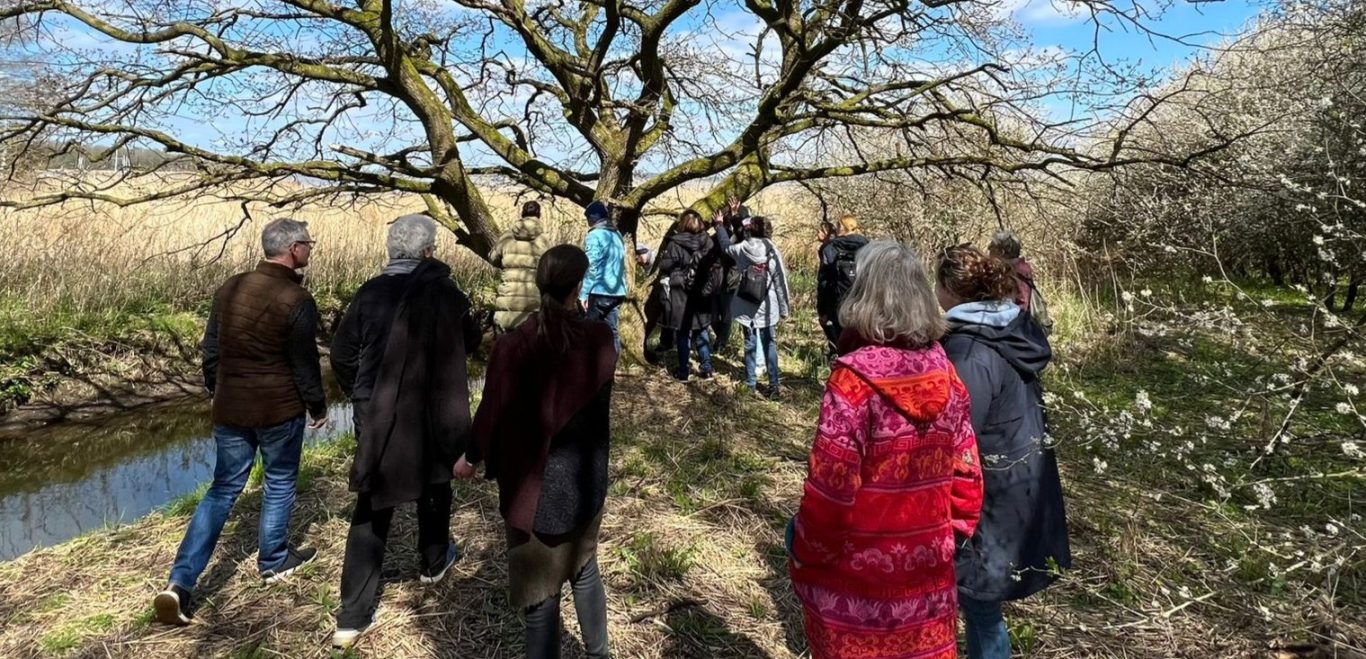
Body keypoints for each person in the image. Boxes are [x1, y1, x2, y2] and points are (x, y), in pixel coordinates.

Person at [789, 240, 983, 659]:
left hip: (854, 587)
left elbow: (830, 491)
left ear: (863, 296)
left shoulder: (852, 382)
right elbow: (968, 474)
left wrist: (805, 553)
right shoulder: (947, 375)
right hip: (926, 582)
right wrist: (951, 538)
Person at [153, 218, 327, 626]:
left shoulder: (230, 287)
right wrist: (317, 406)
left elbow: (210, 349)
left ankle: (180, 583)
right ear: (293, 249)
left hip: (230, 408)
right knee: (279, 481)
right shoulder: (296, 298)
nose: (310, 251)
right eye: (308, 244)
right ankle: (275, 559)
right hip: (277, 409)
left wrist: (217, 388)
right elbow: (304, 364)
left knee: (222, 489)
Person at [327, 214, 481, 648]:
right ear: (429, 252)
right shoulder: (448, 293)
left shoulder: (370, 293)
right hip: (432, 409)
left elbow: (341, 354)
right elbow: (470, 342)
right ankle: (433, 561)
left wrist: (362, 393)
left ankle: (352, 616)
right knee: (435, 481)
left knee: (373, 500)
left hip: (376, 413)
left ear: (391, 251)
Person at [455, 245, 616, 659]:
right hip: (584, 481)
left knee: (540, 597)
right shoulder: (599, 341)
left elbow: (489, 413)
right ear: (578, 286)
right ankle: (599, 654)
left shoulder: (514, 347)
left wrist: (470, 459)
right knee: (584, 569)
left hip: (532, 487)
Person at [935, 244, 1071, 659]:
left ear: (951, 289)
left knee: (979, 604)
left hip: (988, 494)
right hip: (1017, 481)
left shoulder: (971, 351)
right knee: (981, 603)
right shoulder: (1009, 331)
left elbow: (958, 435)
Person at [717, 216, 791, 398]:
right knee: (769, 344)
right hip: (768, 306)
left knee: (749, 343)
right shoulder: (772, 250)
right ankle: (773, 386)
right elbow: (780, 281)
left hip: (745, 304)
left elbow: (725, 246)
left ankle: (750, 383)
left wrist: (719, 227)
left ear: (751, 230)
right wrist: (784, 309)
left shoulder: (743, 248)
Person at [656, 210, 724, 381]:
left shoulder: (675, 243)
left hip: (681, 291)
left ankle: (684, 371)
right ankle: (707, 368)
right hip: (702, 290)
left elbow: (665, 266)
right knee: (701, 330)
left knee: (683, 333)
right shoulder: (707, 241)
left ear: (683, 223)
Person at [491, 200, 555, 332]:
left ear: (522, 213)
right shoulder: (545, 240)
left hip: (507, 302)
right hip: (534, 304)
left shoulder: (506, 237)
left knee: (507, 347)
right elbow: (552, 267)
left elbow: (493, 258)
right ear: (539, 215)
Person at [816, 214, 869, 355]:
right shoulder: (869, 247)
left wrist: (822, 309)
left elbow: (824, 281)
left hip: (837, 302)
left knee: (841, 342)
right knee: (863, 342)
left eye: (838, 226)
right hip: (864, 301)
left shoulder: (830, 248)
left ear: (842, 228)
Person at [579, 200, 627, 353]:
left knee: (586, 331)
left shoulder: (595, 235)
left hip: (600, 291)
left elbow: (591, 266)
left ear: (592, 219)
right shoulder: (617, 234)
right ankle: (610, 367)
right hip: (618, 291)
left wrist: (583, 293)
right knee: (612, 331)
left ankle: (587, 368)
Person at [711, 196, 750, 353]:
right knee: (714, 314)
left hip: (731, 278)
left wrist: (734, 217)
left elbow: (737, 241)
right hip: (715, 278)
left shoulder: (740, 238)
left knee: (726, 313)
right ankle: (721, 339)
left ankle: (721, 343)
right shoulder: (719, 234)